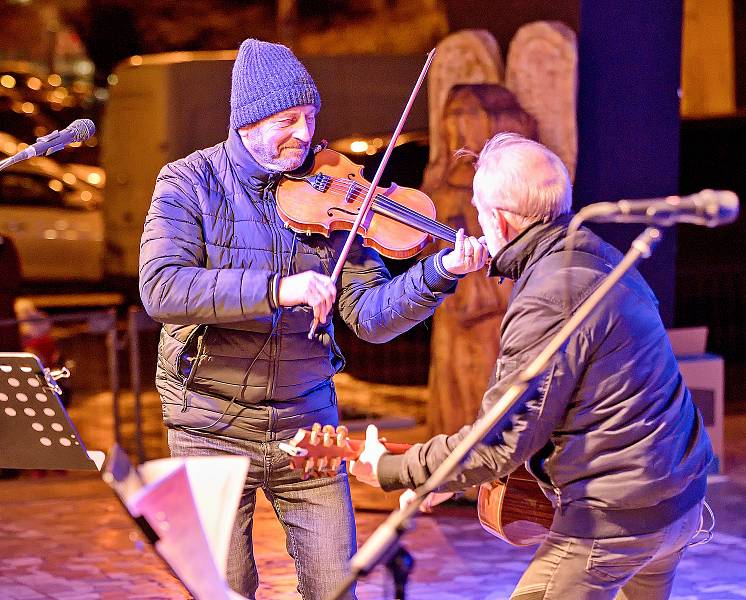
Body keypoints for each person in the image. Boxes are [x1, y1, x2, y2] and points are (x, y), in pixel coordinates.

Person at [138, 38, 487, 600]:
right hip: (209, 423)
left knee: (335, 584)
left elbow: (370, 317)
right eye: (288, 119)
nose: (305, 135)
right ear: (248, 122)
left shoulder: (338, 193)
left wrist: (440, 271)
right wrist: (278, 289)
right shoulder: (188, 183)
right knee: (224, 588)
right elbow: (162, 287)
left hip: (309, 423)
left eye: (310, 117)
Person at [351, 132, 714, 600]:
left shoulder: (549, 294)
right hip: (678, 498)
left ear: (499, 219)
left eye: (480, 213)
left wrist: (396, 468)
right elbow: (572, 406)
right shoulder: (597, 254)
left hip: (616, 519)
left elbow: (498, 442)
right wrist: (447, 474)